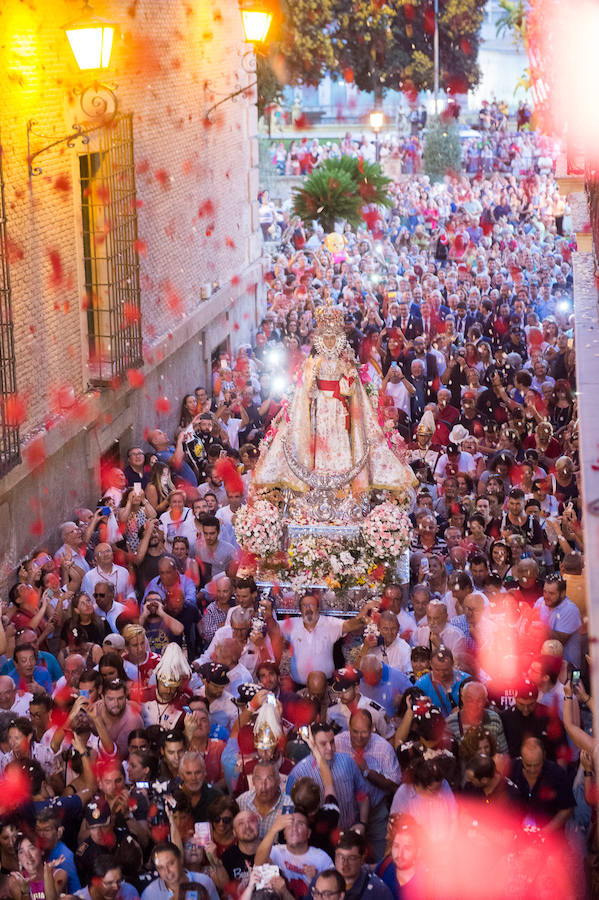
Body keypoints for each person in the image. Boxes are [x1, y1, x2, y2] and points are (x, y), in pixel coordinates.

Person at [334, 710, 401, 861]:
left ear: (372, 729)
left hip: (375, 815)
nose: (359, 737)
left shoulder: (383, 749)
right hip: (345, 814)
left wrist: (367, 771)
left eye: (364, 732)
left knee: (380, 859)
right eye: (355, 731)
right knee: (345, 859)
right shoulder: (337, 743)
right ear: (349, 728)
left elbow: (395, 786)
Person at [286, 724, 369, 832]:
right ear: (312, 744)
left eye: (332, 742)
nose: (329, 748)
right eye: (323, 744)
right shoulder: (298, 773)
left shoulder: (348, 762)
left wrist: (362, 823)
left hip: (350, 834)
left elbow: (363, 795)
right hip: (318, 838)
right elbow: (289, 812)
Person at [254, 810, 334, 898]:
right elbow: (258, 863)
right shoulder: (275, 851)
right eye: (290, 824)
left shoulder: (322, 858)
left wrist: (316, 880)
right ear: (284, 834)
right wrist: (274, 829)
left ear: (308, 833)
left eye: (300, 824)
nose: (294, 828)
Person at [141, 842, 218, 900]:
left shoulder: (204, 881)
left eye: (170, 863)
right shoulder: (149, 894)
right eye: (160, 867)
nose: (167, 871)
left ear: (180, 859)